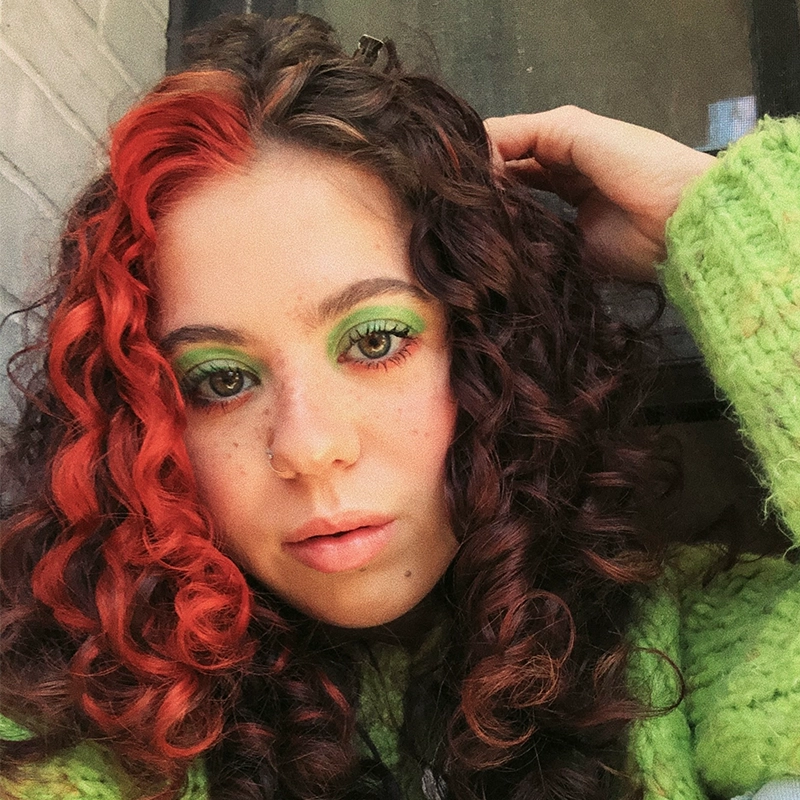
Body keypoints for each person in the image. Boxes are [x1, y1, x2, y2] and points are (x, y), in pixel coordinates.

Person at [0, 12, 797, 800]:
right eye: (220, 380)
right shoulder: (86, 722)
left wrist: (724, 217)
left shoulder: (697, 654)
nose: (308, 447)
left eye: (376, 340)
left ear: (492, 351)